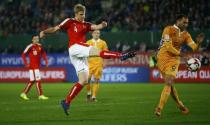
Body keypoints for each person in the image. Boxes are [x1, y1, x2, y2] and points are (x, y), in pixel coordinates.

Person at [39, 4, 135, 115]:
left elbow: (96, 27)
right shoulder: (69, 21)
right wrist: (44, 32)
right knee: (98, 52)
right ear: (76, 14)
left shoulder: (86, 24)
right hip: (75, 47)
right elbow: (55, 29)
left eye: (84, 14)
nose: (83, 16)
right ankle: (120, 56)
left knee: (83, 81)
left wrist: (102, 25)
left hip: (79, 54)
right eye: (81, 14)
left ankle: (66, 102)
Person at [155, 14, 205, 117]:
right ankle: (179, 104)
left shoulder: (186, 35)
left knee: (169, 82)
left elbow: (194, 48)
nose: (186, 24)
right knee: (171, 86)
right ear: (178, 21)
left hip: (173, 60)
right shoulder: (168, 30)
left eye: (187, 22)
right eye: (184, 22)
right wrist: (183, 55)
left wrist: (199, 43)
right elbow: (168, 47)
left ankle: (159, 108)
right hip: (161, 59)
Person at [20, 35, 49, 100]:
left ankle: (24, 93)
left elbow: (43, 53)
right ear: (32, 40)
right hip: (33, 66)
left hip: (36, 66)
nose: (36, 40)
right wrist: (25, 63)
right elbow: (23, 54)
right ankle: (41, 95)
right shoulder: (30, 46)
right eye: (35, 39)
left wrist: (46, 61)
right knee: (38, 80)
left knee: (32, 81)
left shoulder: (39, 46)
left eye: (37, 39)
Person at [86, 30, 108, 102]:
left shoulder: (103, 42)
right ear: (92, 34)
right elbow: (85, 53)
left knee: (96, 80)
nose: (97, 34)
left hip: (98, 63)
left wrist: (105, 62)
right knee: (87, 80)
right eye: (95, 33)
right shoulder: (88, 42)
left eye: (98, 33)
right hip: (89, 63)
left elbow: (106, 53)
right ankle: (89, 93)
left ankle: (94, 96)